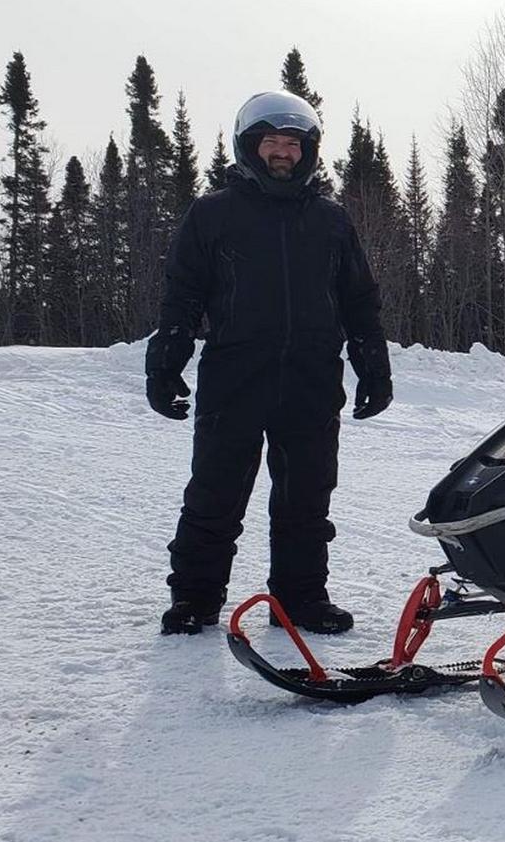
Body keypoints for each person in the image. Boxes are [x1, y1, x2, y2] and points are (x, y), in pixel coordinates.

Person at [146, 90, 393, 636]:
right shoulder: (213, 213)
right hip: (235, 376)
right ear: (249, 148)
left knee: (306, 498)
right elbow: (183, 294)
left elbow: (359, 300)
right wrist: (165, 363)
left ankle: (300, 598)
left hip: (311, 378)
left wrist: (373, 366)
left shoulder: (330, 220)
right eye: (270, 143)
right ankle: (194, 600)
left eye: (292, 144)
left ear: (307, 152)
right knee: (215, 494)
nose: (281, 152)